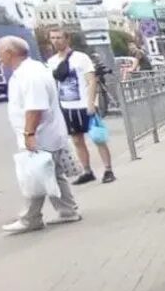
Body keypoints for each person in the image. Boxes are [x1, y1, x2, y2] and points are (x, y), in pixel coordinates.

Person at [0, 36, 82, 233]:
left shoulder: (30, 74)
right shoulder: (30, 70)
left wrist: (29, 134)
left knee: (34, 175)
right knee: (52, 173)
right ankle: (67, 210)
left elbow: (35, 108)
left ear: (11, 52)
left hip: (41, 135)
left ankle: (31, 218)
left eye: (0, 51)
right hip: (48, 133)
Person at [47, 28, 115, 184]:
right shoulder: (52, 62)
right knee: (77, 140)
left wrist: (91, 103)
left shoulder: (80, 58)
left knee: (97, 138)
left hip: (84, 105)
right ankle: (87, 171)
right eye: (53, 38)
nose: (56, 40)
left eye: (59, 37)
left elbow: (92, 81)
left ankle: (108, 169)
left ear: (67, 38)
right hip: (67, 107)